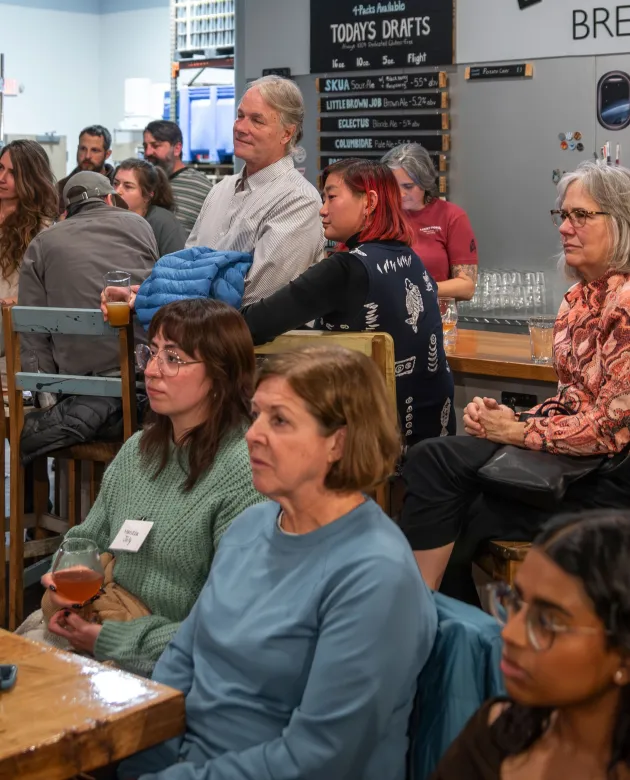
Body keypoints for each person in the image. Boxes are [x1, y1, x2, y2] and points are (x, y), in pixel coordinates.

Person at [119, 345, 437, 780]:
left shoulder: (374, 573)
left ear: (338, 443)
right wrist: (143, 762)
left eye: (280, 420)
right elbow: (181, 660)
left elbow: (319, 758)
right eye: (257, 415)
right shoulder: (252, 525)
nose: (252, 434)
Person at [399, 160, 630, 604]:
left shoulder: (623, 304)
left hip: (611, 475)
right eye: (562, 215)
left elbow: (606, 428)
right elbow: (572, 403)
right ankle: (443, 626)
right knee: (436, 471)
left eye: (581, 216)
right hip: (580, 461)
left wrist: (521, 431)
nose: (565, 227)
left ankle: (426, 620)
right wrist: (518, 416)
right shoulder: (579, 297)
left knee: (439, 473)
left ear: (619, 223)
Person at [34, 299, 263, 675]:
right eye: (151, 353)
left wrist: (107, 640)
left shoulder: (246, 472)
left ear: (222, 375)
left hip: (172, 660)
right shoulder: (138, 450)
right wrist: (60, 576)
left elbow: (228, 628)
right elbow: (87, 538)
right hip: (100, 621)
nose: (152, 371)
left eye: (173, 358)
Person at [241, 159, 455, 446]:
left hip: (362, 445)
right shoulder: (409, 259)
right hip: (427, 438)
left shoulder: (344, 269)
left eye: (331, 196)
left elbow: (252, 325)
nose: (323, 209)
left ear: (369, 202)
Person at [432, 509, 630, 780]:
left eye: (548, 621)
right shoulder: (494, 735)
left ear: (624, 657)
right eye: (514, 602)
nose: (510, 633)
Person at [186, 75, 324, 305]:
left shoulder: (299, 201)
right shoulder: (221, 190)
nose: (240, 127)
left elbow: (259, 300)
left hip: (253, 340)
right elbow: (186, 267)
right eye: (240, 116)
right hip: (198, 334)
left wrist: (186, 300)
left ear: (287, 134)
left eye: (257, 120)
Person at [18, 170, 157, 378]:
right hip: (143, 371)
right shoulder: (140, 225)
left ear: (66, 210)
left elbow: (31, 327)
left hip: (76, 383)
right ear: (109, 199)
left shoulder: (43, 242)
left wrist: (43, 394)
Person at [382, 143, 478, 301]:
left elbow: (467, 287)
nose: (400, 193)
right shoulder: (377, 215)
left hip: (434, 319)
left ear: (424, 183)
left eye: (408, 186)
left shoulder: (451, 216)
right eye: (392, 186)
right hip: (382, 319)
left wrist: (420, 287)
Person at [0, 140, 58, 391]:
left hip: (13, 329)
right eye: (0, 168)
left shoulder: (43, 228)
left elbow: (47, 287)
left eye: (13, 173)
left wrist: (18, 298)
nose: (2, 177)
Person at [143, 120, 213, 235]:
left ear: (177, 148)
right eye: (145, 146)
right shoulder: (146, 184)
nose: (148, 152)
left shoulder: (200, 187)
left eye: (156, 146)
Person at [113, 159, 187, 257]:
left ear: (147, 195)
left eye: (128, 186)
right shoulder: (108, 218)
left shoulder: (163, 222)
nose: (117, 191)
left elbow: (180, 265)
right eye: (115, 184)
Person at [57, 125, 114, 213]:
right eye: (83, 149)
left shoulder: (118, 186)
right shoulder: (61, 187)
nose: (87, 156)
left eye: (94, 150)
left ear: (107, 154)